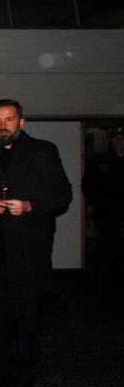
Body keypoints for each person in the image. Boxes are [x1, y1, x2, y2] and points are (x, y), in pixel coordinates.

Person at [0, 99, 72, 387]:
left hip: (29, 251)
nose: (3, 125)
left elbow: (63, 196)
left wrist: (29, 206)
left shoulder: (43, 151)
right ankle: (4, 370)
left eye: (9, 119)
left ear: (21, 122)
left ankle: (27, 372)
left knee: (27, 318)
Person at [81, 126, 124, 296]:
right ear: (111, 139)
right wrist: (98, 204)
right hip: (107, 214)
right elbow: (88, 186)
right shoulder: (99, 160)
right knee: (105, 250)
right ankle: (102, 288)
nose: (119, 140)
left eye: (122, 137)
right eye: (116, 137)